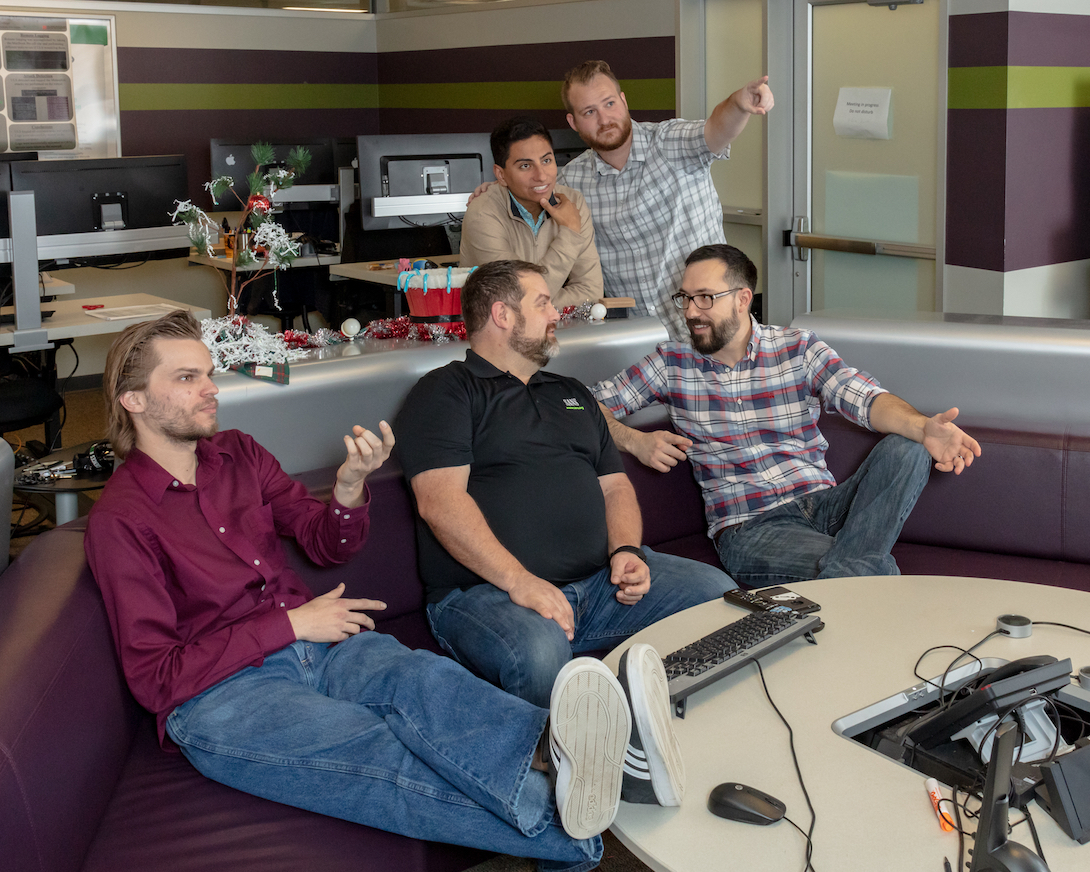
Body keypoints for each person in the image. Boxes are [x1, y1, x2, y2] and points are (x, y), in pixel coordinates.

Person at [83, 309, 685, 870]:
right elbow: (156, 678)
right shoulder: (121, 521)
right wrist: (289, 625)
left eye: (208, 374)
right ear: (134, 400)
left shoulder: (238, 453)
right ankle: (575, 820)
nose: (211, 388)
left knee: (426, 682)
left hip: (321, 644)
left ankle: (575, 752)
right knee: (378, 753)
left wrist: (348, 487)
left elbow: (326, 545)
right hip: (222, 693)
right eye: (187, 378)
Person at [395, 260, 735, 760]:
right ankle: (574, 770)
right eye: (543, 303)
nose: (557, 313)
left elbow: (615, 488)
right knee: (538, 653)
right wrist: (519, 580)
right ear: (502, 315)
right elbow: (440, 502)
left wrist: (626, 551)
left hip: (598, 586)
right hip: (488, 594)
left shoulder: (571, 393)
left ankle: (679, 741)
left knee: (718, 598)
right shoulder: (446, 391)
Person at [591, 244, 982, 588]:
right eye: (686, 298)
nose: (691, 311)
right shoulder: (670, 364)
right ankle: (863, 574)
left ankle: (858, 575)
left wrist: (923, 428)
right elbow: (581, 405)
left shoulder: (798, 347)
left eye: (705, 298)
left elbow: (863, 397)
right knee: (862, 568)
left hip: (826, 504)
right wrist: (633, 440)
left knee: (909, 447)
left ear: (742, 299)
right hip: (751, 530)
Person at [557, 60, 774, 340]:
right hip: (641, 343)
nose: (604, 118)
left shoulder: (668, 141)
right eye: (589, 111)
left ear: (624, 101)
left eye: (609, 103)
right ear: (573, 122)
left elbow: (716, 129)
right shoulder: (571, 181)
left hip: (716, 330)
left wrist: (738, 104)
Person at [460, 116, 603, 309]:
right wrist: (569, 232)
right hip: (496, 328)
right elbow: (517, 297)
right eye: (525, 166)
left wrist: (537, 303)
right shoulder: (483, 214)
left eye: (546, 160)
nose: (541, 176)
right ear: (501, 175)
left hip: (560, 325)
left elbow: (591, 291)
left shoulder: (573, 202)